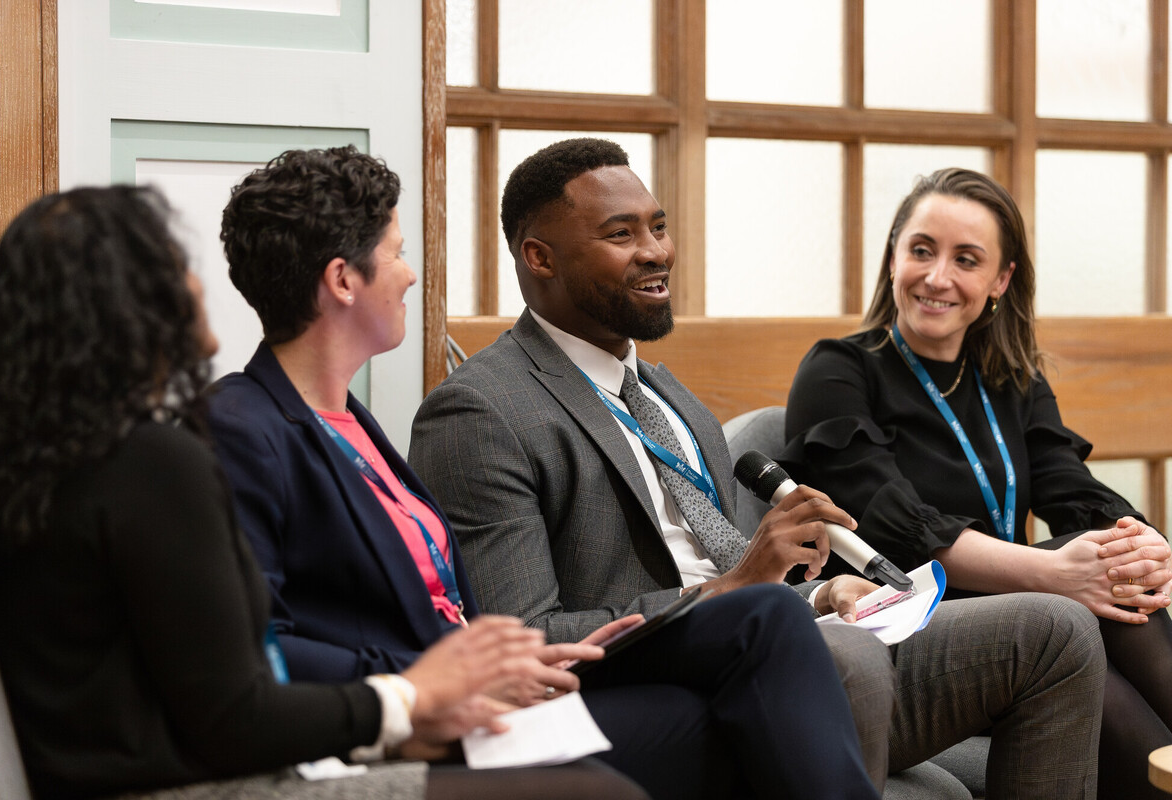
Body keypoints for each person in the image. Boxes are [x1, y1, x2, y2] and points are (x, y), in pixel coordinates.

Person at [409, 137, 1110, 799]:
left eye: (657, 227)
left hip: (778, 649)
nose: (656, 253)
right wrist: (749, 589)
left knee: (1055, 630)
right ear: (540, 257)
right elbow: (527, 643)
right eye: (622, 235)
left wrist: (815, 596)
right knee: (844, 658)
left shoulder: (669, 397)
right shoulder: (482, 410)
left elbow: (732, 578)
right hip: (669, 688)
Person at [206, 145, 881, 800]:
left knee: (750, 701)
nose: (411, 275)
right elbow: (254, 646)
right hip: (406, 725)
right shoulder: (246, 425)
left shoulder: (353, 423)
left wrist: (505, 663)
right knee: (750, 676)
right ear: (343, 280)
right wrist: (419, 685)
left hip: (493, 695)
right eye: (398, 254)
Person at [0, 185, 649, 800]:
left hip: (154, 767)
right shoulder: (153, 461)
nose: (196, 284)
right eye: (175, 264)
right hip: (191, 782)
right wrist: (409, 698)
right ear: (136, 303)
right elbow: (235, 713)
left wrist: (417, 710)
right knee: (597, 791)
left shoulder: (43, 462)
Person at [781, 165, 1172, 800]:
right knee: (1076, 608)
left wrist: (1144, 543)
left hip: (1040, 624)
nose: (938, 277)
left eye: (967, 259)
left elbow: (1073, 489)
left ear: (1001, 279)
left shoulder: (1010, 378)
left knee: (1112, 592)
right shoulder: (839, 370)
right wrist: (1054, 573)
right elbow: (892, 526)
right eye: (921, 251)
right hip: (910, 625)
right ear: (893, 258)